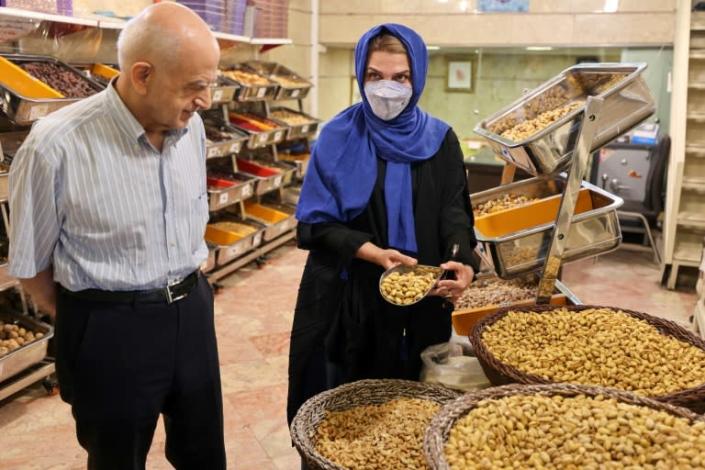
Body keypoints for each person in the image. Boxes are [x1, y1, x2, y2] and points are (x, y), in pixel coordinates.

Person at [8, 3, 226, 469]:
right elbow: (30, 264)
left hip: (192, 312)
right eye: (195, 86)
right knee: (117, 458)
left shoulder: (193, 127)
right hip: (110, 328)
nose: (206, 100)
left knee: (204, 452)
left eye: (210, 83)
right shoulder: (56, 144)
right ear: (143, 74)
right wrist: (97, 319)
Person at [287, 24, 479, 427]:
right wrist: (372, 252)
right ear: (361, 75)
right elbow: (314, 227)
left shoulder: (440, 139)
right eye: (375, 76)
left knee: (417, 414)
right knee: (355, 413)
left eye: (400, 78)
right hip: (355, 298)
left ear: (418, 78)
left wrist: (463, 260)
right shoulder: (338, 137)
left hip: (425, 297)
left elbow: (454, 211)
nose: (386, 88)